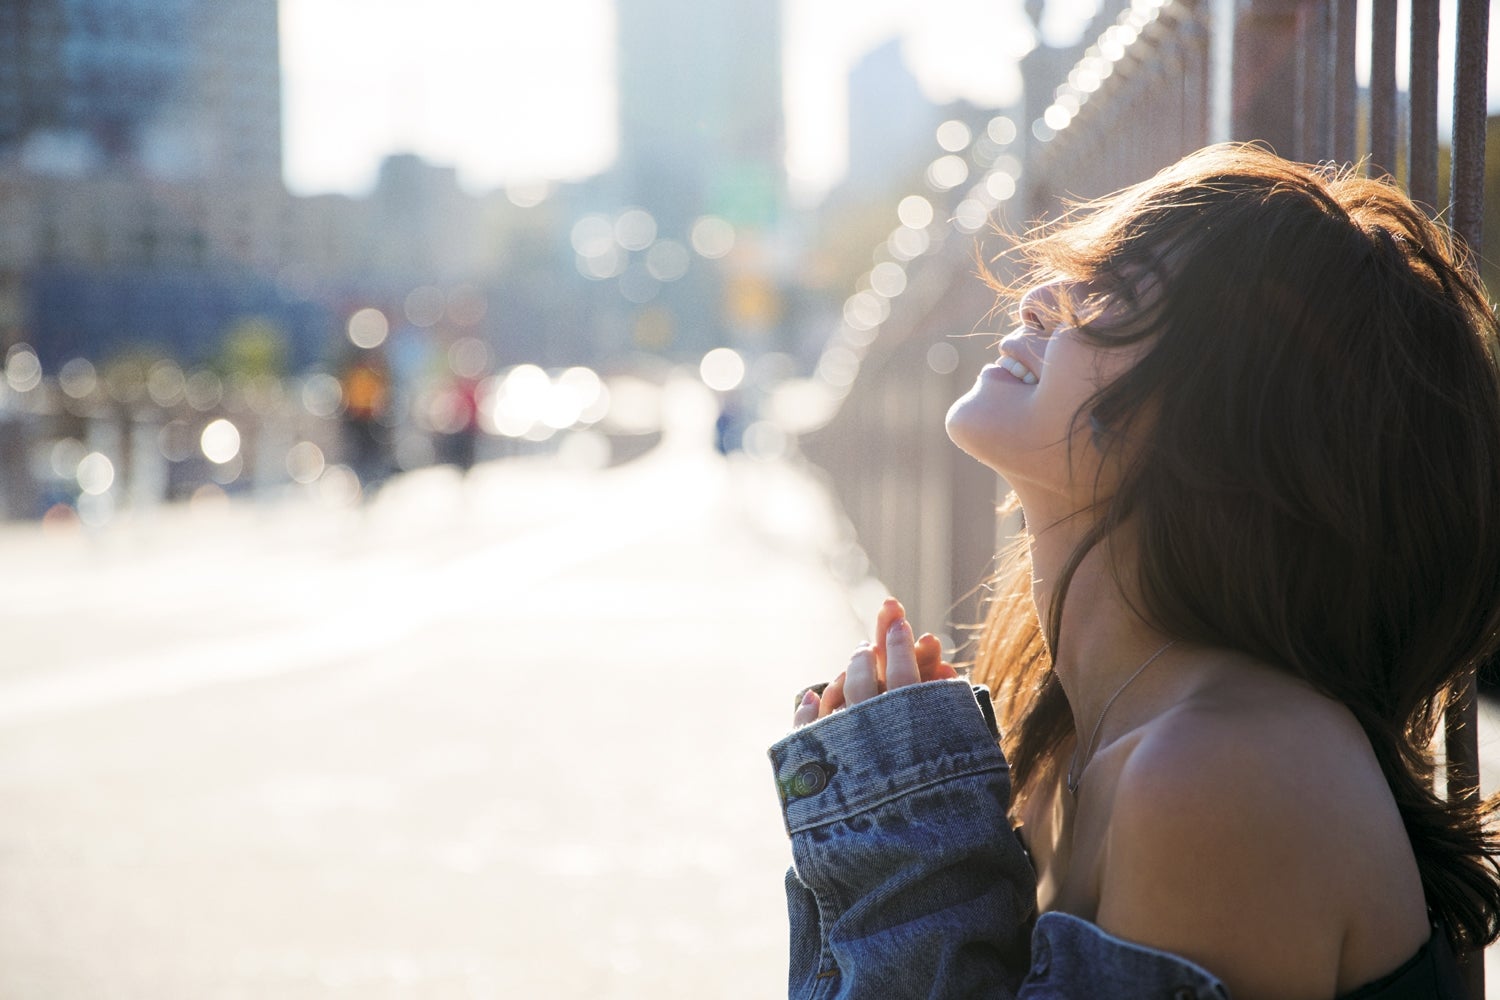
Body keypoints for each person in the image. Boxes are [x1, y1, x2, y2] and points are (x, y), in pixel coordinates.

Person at [769, 144, 1500, 998]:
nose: (1043, 298)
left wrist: (908, 857)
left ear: (1232, 423)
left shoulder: (1223, 768)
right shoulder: (1069, 744)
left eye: (1115, 293)